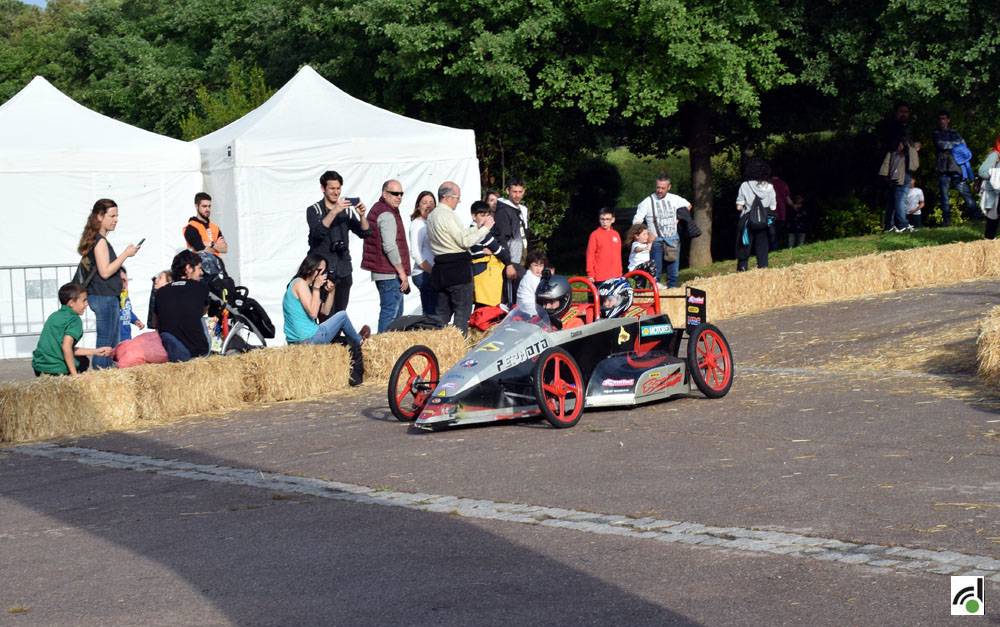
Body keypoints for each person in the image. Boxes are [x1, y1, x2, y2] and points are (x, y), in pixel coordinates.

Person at [283, 254, 369, 385]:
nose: (322, 274)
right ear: (310, 268)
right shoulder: (300, 283)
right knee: (342, 316)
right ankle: (360, 341)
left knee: (339, 318)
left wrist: (331, 292)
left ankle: (355, 341)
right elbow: (313, 313)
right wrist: (317, 288)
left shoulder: (301, 285)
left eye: (324, 271)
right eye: (319, 270)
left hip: (299, 340)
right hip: (308, 338)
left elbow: (324, 311)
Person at [76, 198, 140, 369]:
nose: (115, 219)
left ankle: (106, 375)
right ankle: (101, 376)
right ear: (99, 217)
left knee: (111, 341)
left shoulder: (96, 239)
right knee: (106, 342)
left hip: (103, 296)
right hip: (104, 297)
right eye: (112, 216)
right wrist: (126, 254)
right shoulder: (100, 241)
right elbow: (105, 271)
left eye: (116, 216)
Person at [426, 181, 492, 335]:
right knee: (462, 314)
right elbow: (465, 241)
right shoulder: (447, 215)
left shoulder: (432, 216)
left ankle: (438, 350)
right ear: (447, 197)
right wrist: (486, 229)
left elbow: (460, 236)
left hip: (440, 269)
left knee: (441, 317)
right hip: (457, 270)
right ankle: (459, 350)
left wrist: (477, 226)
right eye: (457, 197)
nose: (458, 201)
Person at [306, 170, 371, 313]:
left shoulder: (346, 211)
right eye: (332, 188)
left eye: (338, 188)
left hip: (343, 269)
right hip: (321, 272)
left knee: (340, 314)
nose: (336, 192)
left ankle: (337, 336)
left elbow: (365, 233)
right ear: (323, 189)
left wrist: (362, 216)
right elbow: (317, 234)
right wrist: (334, 211)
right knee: (322, 314)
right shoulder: (313, 210)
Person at [361, 180, 411, 333]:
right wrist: (402, 273)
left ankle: (386, 348)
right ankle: (383, 349)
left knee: (391, 314)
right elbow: (389, 246)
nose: (399, 197)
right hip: (389, 273)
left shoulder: (380, 209)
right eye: (395, 193)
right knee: (391, 315)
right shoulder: (387, 214)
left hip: (385, 272)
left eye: (401, 193)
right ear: (384, 193)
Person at [32, 282, 112, 376]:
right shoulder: (74, 320)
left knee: (81, 358)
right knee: (83, 362)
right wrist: (75, 376)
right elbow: (66, 347)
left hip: (39, 366)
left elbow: (63, 347)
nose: (87, 304)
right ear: (71, 303)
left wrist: (95, 351)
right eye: (84, 300)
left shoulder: (54, 316)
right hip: (55, 369)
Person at [632, 174, 693, 288]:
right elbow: (636, 221)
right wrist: (646, 234)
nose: (659, 190)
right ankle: (656, 297)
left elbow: (688, 205)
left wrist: (678, 218)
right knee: (656, 273)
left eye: (662, 188)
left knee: (673, 272)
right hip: (656, 241)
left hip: (672, 238)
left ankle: (672, 292)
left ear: (669, 187)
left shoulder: (674, 198)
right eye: (658, 187)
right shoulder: (647, 202)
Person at [155, 251, 210, 362]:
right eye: (199, 268)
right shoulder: (200, 287)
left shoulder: (160, 292)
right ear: (189, 268)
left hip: (169, 352)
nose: (201, 273)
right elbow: (203, 311)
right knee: (203, 319)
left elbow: (155, 322)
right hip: (197, 351)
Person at [878, 102, 920, 233]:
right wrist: (909, 146)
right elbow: (896, 146)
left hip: (903, 166)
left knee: (892, 197)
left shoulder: (906, 127)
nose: (904, 114)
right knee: (900, 195)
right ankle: (902, 224)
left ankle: (889, 226)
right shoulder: (894, 128)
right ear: (896, 113)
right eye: (901, 111)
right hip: (898, 166)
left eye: (906, 112)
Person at [933, 111, 980, 225]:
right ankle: (947, 221)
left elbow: (963, 144)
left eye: (944, 118)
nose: (942, 121)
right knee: (944, 196)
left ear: (948, 120)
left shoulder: (954, 132)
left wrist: (952, 144)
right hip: (943, 169)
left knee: (965, 193)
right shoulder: (936, 133)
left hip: (956, 168)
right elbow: (941, 145)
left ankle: (976, 217)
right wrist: (955, 144)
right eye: (940, 119)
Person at [735, 158, 777, 272]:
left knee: (744, 244)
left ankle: (742, 268)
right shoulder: (770, 186)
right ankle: (763, 267)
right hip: (764, 220)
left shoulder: (745, 185)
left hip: (748, 219)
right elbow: (773, 207)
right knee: (762, 244)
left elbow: (739, 206)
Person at [470, 201, 511, 307]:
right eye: (482, 215)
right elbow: (500, 251)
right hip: (485, 276)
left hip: (479, 274)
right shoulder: (482, 233)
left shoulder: (470, 230)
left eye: (487, 215)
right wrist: (494, 251)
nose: (486, 218)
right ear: (474, 216)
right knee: (485, 310)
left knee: (480, 309)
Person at [494, 179, 528, 305]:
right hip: (512, 260)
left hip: (522, 259)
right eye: (514, 192)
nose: (517, 195)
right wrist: (508, 263)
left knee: (523, 293)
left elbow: (525, 235)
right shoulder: (503, 211)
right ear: (508, 191)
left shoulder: (522, 210)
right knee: (511, 297)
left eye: (520, 192)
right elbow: (502, 238)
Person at [183, 192, 228, 279]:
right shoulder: (191, 227)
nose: (207, 209)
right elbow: (201, 251)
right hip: (200, 271)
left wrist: (211, 244)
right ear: (196, 206)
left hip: (218, 267)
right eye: (204, 206)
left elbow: (225, 249)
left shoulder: (215, 227)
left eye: (209, 206)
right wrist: (216, 245)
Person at [409, 190, 437, 316]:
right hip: (423, 273)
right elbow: (415, 253)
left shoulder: (431, 223)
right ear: (418, 206)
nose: (428, 205)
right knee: (430, 311)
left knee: (435, 309)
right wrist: (431, 270)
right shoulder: (417, 224)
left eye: (431, 202)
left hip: (433, 272)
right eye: (424, 202)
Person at [586, 208, 622, 283]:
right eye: (602, 219)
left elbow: (618, 256)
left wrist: (620, 273)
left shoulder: (616, 234)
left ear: (613, 220)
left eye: (607, 219)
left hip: (616, 276)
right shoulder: (595, 234)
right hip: (600, 277)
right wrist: (590, 274)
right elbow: (590, 255)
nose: (605, 222)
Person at [978, 136, 1000, 240]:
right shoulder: (995, 155)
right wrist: (996, 174)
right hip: (996, 193)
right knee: (993, 217)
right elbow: (982, 172)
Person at [516, 250, 548, 314]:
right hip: (530, 313)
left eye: (541, 266)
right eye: (535, 265)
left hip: (523, 309)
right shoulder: (531, 278)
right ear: (529, 265)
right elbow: (544, 296)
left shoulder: (529, 275)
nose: (539, 269)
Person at [118, 268, 144, 341]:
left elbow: (128, 311)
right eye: (122, 280)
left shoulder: (125, 297)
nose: (125, 283)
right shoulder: (114, 298)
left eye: (126, 280)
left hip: (127, 336)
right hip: (117, 337)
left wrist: (135, 320)